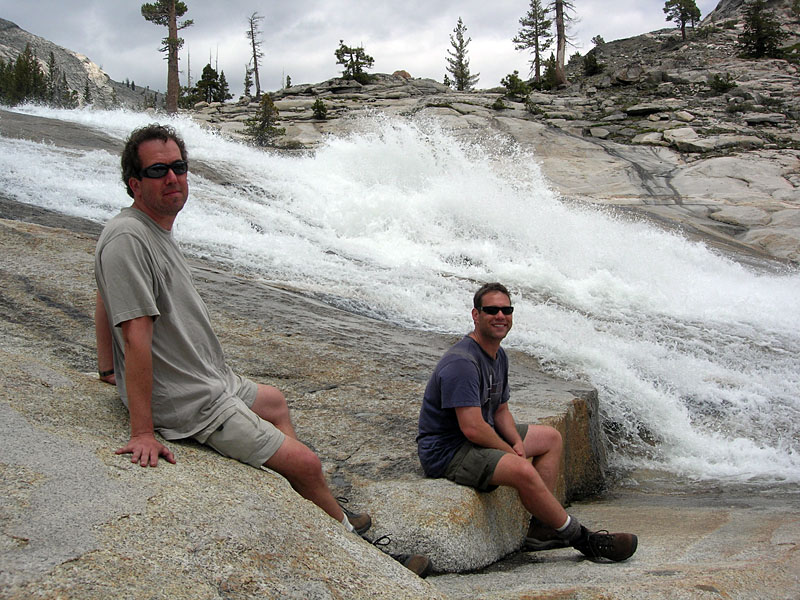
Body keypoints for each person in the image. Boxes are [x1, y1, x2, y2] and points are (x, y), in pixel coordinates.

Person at [95, 123, 429, 576]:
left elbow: (105, 295)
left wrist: (106, 368)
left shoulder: (150, 229)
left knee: (274, 402)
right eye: (158, 170)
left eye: (179, 167)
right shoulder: (128, 238)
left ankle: (310, 499)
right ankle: (362, 552)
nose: (172, 178)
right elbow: (136, 333)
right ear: (135, 183)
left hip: (209, 378)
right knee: (306, 462)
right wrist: (142, 431)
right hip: (189, 401)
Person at [417, 282, 638, 562]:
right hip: (449, 451)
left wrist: (516, 441)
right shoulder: (462, 363)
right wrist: (509, 452)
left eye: (506, 310)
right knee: (522, 470)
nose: (500, 316)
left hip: (477, 436)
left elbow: (500, 411)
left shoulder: (498, 355)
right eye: (491, 310)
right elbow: (472, 428)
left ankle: (543, 528)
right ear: (476, 315)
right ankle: (584, 540)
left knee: (550, 438)